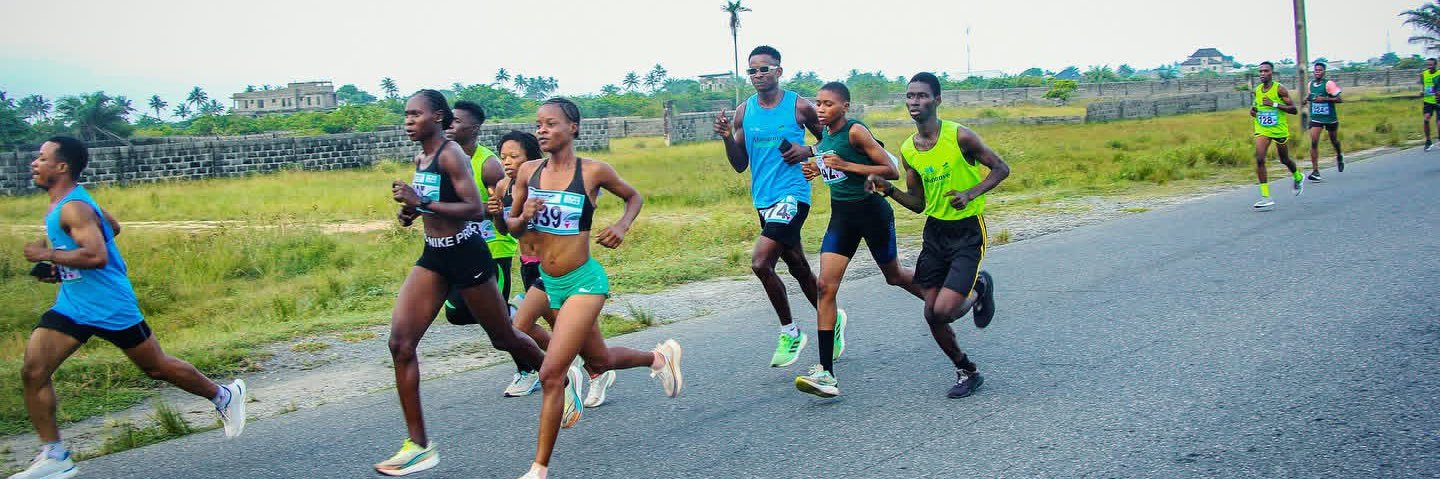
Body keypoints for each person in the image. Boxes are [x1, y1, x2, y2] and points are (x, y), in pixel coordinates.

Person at [11, 136, 247, 479]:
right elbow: (114, 228)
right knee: (33, 371)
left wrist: (47, 255)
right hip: (74, 305)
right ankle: (55, 455)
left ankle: (224, 395)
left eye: (42, 157)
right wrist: (61, 268)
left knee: (156, 367)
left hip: (109, 305)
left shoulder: (72, 207)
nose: (34, 163)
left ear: (61, 167)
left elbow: (96, 255)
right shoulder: (68, 201)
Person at [506, 98, 682, 479]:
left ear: (573, 128)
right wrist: (522, 216)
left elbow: (634, 196)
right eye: (538, 124)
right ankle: (658, 359)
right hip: (546, 282)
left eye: (550, 124)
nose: (541, 130)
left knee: (552, 372)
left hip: (584, 282)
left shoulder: (593, 172)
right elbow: (512, 228)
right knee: (598, 360)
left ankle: (538, 469)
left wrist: (621, 226)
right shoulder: (527, 172)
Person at [378, 90, 548, 477]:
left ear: (437, 116)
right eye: (405, 114)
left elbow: (473, 209)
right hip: (434, 255)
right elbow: (430, 202)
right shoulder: (421, 156)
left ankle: (555, 375)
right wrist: (410, 213)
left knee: (504, 336)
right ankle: (419, 446)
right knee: (400, 343)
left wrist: (419, 204)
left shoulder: (451, 154)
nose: (407, 121)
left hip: (467, 254)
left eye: (415, 114)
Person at [868, 73, 1008, 399]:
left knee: (943, 311)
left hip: (968, 231)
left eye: (922, 96)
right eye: (910, 96)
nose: (914, 102)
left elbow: (1001, 168)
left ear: (937, 100)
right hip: (935, 233)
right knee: (930, 312)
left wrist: (971, 193)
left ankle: (979, 287)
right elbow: (918, 203)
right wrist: (888, 190)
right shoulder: (909, 149)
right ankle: (966, 370)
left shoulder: (960, 136)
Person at [794, 82, 924, 398]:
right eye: (818, 103)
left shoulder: (855, 131)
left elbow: (890, 170)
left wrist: (845, 165)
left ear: (845, 107)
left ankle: (947, 300)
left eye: (828, 104)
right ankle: (826, 373)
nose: (821, 109)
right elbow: (834, 167)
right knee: (825, 287)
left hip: (872, 213)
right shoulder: (824, 135)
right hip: (843, 217)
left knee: (894, 277)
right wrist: (818, 168)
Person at [713, 45, 837, 368]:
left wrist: (807, 150)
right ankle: (832, 320)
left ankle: (791, 332)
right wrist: (728, 137)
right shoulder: (744, 112)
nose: (757, 75)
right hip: (764, 200)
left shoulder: (800, 106)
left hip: (794, 196)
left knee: (760, 263)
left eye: (764, 69)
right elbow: (740, 164)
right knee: (797, 265)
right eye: (752, 71)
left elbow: (831, 139)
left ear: (779, 71)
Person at [489, 130, 549, 397]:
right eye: (503, 157)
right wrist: (495, 214)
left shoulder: (545, 181)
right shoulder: (503, 187)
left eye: (514, 156)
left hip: (551, 264)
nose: (507, 162)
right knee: (543, 324)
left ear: (531, 157)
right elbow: (505, 231)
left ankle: (552, 366)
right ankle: (573, 360)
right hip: (527, 264)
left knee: (520, 324)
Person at [1249, 61, 1303, 211]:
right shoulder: (1258, 90)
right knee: (1259, 159)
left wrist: (1274, 104)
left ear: (1272, 73)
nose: (1262, 74)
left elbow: (1293, 110)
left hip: (1279, 130)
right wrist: (1253, 112)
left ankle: (1298, 176)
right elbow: (1256, 108)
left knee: (1284, 159)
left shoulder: (1280, 89)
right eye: (1260, 71)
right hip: (1263, 129)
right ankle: (1266, 197)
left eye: (1265, 71)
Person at [1304, 62, 1344, 180]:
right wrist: (1306, 100)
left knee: (1334, 140)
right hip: (1316, 117)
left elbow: (1339, 99)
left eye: (1320, 70)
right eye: (1316, 70)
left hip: (1329, 118)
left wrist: (1325, 99)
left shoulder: (1329, 84)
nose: (1317, 72)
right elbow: (1311, 96)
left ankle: (1339, 154)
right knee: (1314, 142)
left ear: (1324, 71)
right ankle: (1315, 171)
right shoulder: (1310, 84)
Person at [1423, 58, 1440, 152]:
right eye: (1428, 65)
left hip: (1438, 101)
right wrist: (1422, 92)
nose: (1429, 67)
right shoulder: (1424, 74)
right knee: (1426, 119)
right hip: (1428, 101)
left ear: (1435, 65)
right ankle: (1428, 141)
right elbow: (1424, 86)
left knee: (1439, 123)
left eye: (1431, 65)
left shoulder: (1439, 74)